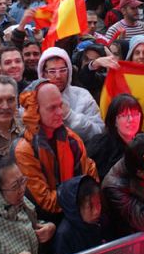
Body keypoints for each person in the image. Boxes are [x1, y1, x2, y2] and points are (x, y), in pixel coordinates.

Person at [13, 80, 98, 220]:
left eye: (60, 105)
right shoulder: (25, 150)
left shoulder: (72, 139)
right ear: (35, 111)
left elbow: (91, 179)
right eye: (52, 108)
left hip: (80, 212)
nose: (60, 112)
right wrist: (80, 201)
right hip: (48, 220)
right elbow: (45, 201)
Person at [37, 47, 103, 142]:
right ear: (43, 74)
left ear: (69, 71)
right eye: (52, 71)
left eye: (63, 70)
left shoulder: (83, 96)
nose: (58, 76)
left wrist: (70, 116)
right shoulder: (33, 97)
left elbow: (98, 132)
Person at [87, 94, 143, 180]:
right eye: (124, 115)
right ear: (114, 121)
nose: (131, 119)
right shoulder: (99, 147)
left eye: (135, 114)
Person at [53, 175, 103, 254]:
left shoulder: (102, 221)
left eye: (99, 203)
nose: (97, 211)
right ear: (76, 208)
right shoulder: (64, 235)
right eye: (90, 207)